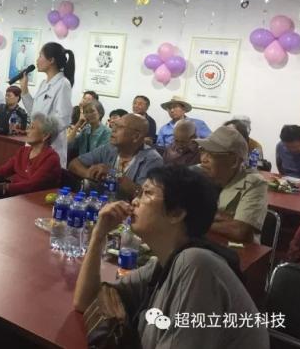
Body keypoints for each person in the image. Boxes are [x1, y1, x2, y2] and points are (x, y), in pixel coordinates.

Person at [73, 165, 268, 349]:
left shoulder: (197, 265)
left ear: (176, 213)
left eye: (147, 193)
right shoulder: (163, 263)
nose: (134, 201)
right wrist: (99, 235)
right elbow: (87, 303)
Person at [197, 126, 268, 243]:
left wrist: (198, 220)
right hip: (202, 241)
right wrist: (223, 219)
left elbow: (240, 230)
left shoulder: (255, 183)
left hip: (237, 249)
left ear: (234, 161)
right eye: (203, 151)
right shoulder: (197, 173)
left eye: (211, 154)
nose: (203, 159)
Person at [68, 114, 163, 199]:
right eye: (114, 125)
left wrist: (113, 173)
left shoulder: (153, 159)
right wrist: (88, 174)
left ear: (136, 136)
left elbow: (143, 194)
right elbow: (74, 164)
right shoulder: (109, 148)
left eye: (120, 127)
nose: (113, 129)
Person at [20, 42, 75, 167]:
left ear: (51, 60)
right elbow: (34, 113)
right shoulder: (44, 84)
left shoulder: (63, 83)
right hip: (35, 144)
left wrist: (43, 133)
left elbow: (64, 118)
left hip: (50, 146)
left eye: (40, 56)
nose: (37, 60)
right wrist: (24, 89)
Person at [0, 113, 61, 198]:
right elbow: (5, 169)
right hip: (15, 197)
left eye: (32, 128)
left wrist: (3, 187)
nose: (27, 131)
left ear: (45, 135)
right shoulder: (23, 151)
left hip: (34, 201)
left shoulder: (51, 158)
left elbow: (32, 185)